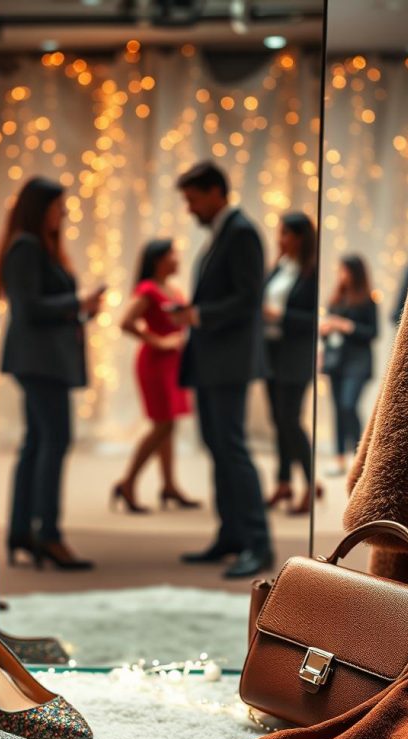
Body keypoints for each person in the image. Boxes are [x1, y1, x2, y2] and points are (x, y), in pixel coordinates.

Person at [0, 176, 104, 570]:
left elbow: (41, 305)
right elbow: (29, 308)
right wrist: (77, 302)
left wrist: (79, 310)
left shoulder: (35, 245)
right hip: (39, 362)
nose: (65, 213)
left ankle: (23, 531)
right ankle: (48, 535)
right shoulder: (26, 246)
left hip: (41, 360)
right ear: (40, 208)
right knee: (55, 440)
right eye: (59, 206)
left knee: (37, 443)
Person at [171, 161, 272, 579]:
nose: (190, 209)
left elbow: (249, 299)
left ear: (216, 192)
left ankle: (257, 542)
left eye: (194, 200)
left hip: (228, 362)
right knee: (217, 447)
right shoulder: (223, 234)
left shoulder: (242, 233)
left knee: (232, 448)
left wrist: (199, 315)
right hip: (214, 361)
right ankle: (231, 534)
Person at [113, 238, 200, 513]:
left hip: (173, 364)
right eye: (172, 254)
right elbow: (126, 322)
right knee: (163, 425)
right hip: (155, 364)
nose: (177, 258)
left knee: (169, 424)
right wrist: (158, 341)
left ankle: (169, 485)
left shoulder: (172, 288)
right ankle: (127, 483)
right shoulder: (148, 288)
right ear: (158, 260)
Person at [263, 212, 319, 516]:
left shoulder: (311, 271)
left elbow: (313, 320)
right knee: (278, 421)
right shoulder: (280, 267)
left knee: (290, 420)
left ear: (299, 237)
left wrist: (278, 316)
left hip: (295, 356)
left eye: (284, 233)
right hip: (271, 353)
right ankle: (283, 482)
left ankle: (311, 485)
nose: (279, 239)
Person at [320, 255, 378, 476]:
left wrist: (346, 326)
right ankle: (339, 458)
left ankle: (361, 456)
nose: (341, 275)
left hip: (358, 362)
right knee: (338, 409)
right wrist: (327, 329)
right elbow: (327, 333)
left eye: (345, 271)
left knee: (348, 405)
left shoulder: (367, 301)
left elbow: (372, 333)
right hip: (337, 361)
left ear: (355, 273)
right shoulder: (337, 298)